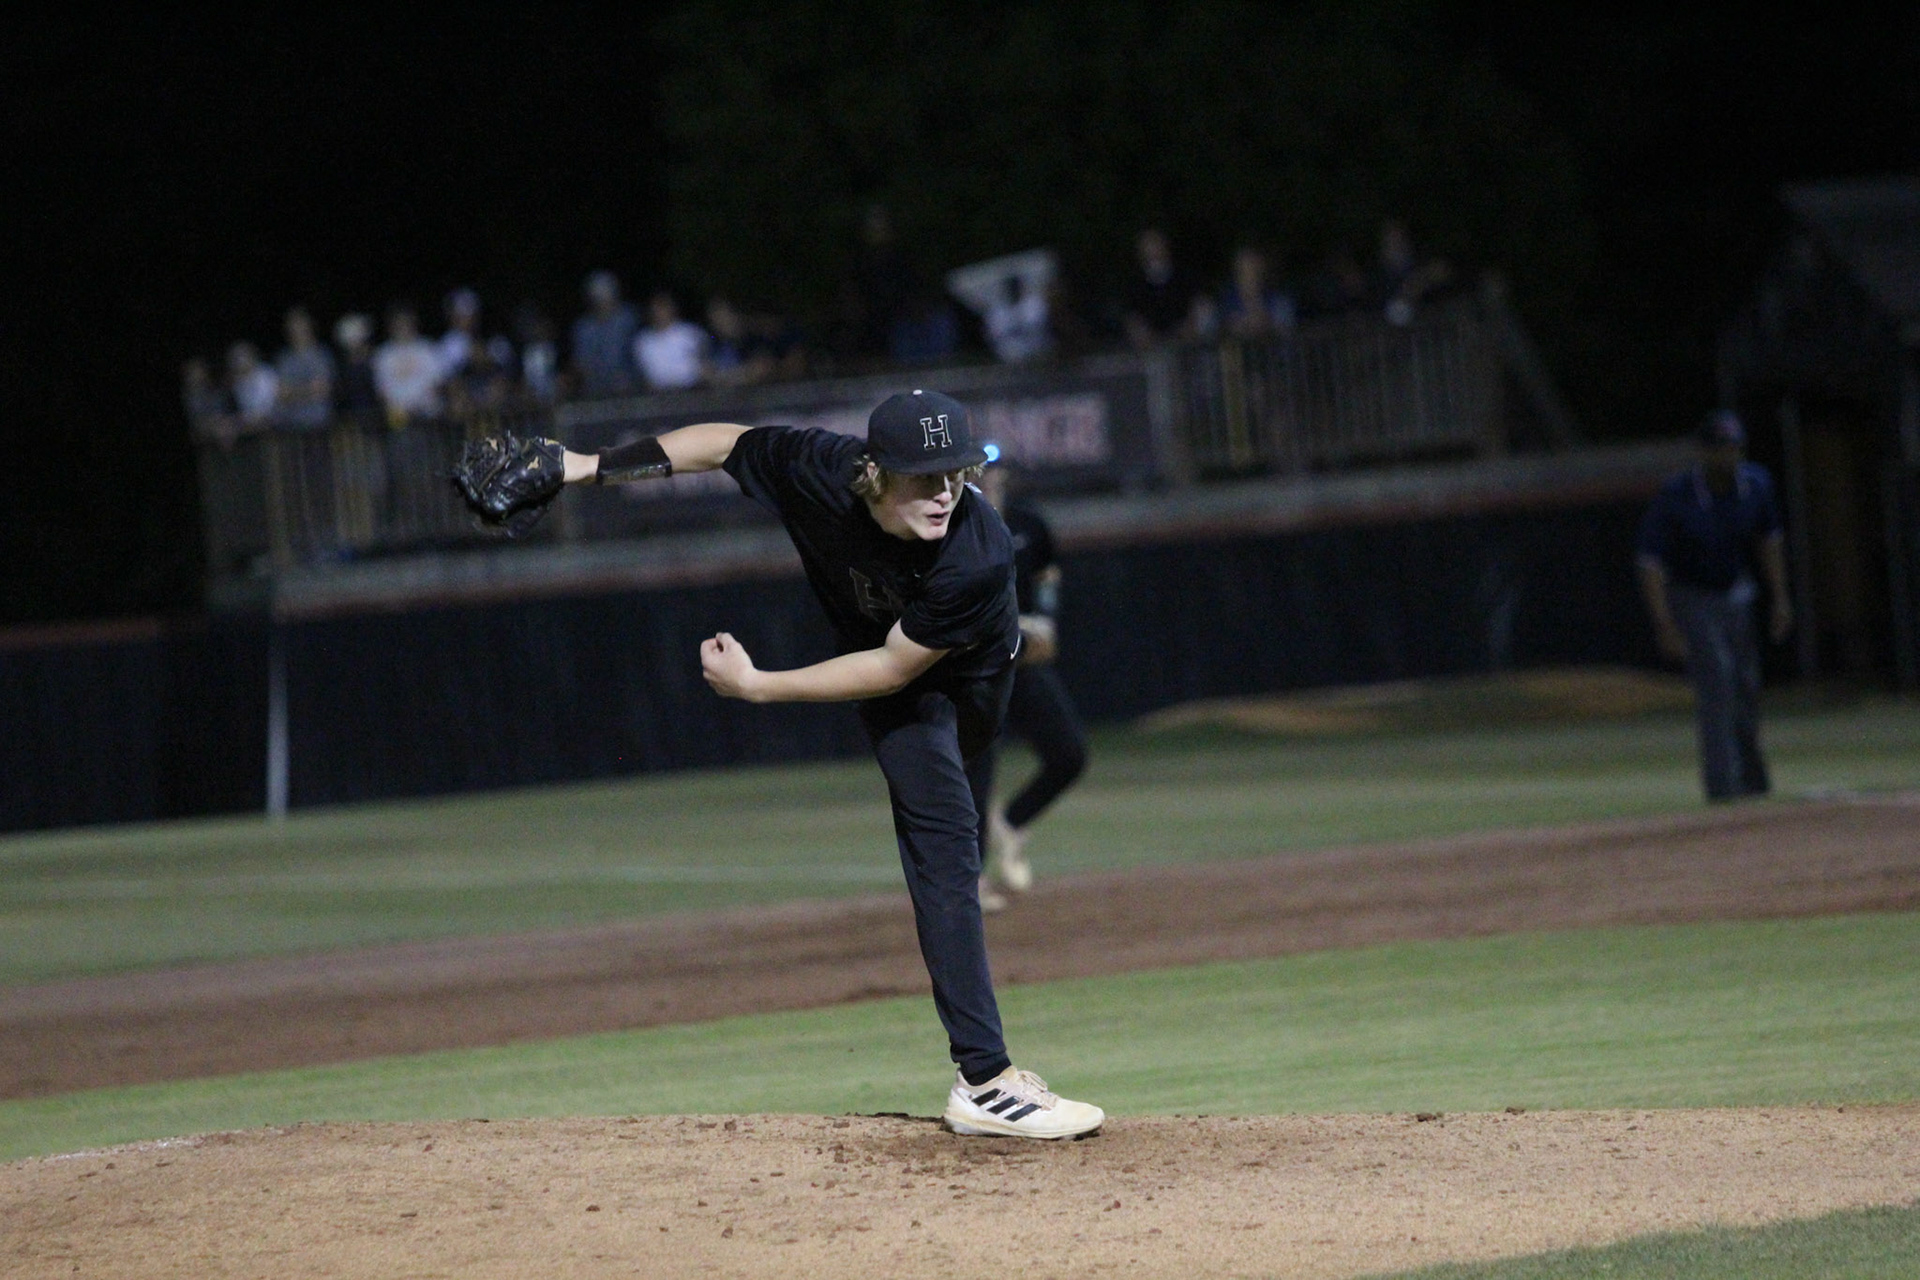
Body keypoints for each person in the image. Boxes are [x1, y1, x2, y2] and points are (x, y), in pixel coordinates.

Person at [478, 390, 1104, 1139]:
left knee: (955, 797)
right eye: (923, 476)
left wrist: (758, 686)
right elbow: (723, 444)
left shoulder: (979, 550)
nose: (944, 492)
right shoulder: (819, 468)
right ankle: (986, 1081)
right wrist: (584, 466)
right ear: (875, 471)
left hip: (969, 680)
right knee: (946, 848)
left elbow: (891, 668)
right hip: (909, 693)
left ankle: (985, 1076)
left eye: (955, 474)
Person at [1636, 410, 1793, 801]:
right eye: (1720, 448)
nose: (1729, 455)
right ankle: (1722, 784)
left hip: (1737, 592)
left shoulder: (1756, 484)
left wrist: (1780, 597)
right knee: (1717, 681)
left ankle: (1753, 779)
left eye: (1734, 447)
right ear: (1703, 452)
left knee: (1746, 685)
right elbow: (1650, 562)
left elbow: (1769, 540)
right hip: (1692, 595)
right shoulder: (1677, 494)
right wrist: (1664, 623)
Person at [972, 457, 1088, 911]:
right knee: (976, 773)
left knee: (1069, 755)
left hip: (1021, 661)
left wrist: (1046, 620)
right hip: (973, 667)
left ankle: (1011, 824)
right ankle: (970, 880)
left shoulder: (1027, 523)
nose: (987, 476)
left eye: (992, 468)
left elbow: (1048, 577)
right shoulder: (950, 525)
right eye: (978, 468)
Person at [570, 270, 640, 398]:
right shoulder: (583, 327)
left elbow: (639, 352)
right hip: (595, 389)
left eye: (606, 291)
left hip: (629, 385)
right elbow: (581, 361)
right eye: (597, 294)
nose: (602, 298)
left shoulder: (629, 318)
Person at [372, 306, 444, 425]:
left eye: (406, 323)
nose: (403, 327)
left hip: (427, 412)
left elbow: (438, 382)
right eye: (398, 324)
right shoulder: (383, 354)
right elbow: (382, 390)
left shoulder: (427, 348)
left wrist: (418, 406)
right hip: (398, 415)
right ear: (391, 327)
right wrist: (401, 409)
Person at [632, 290, 710, 390]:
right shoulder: (642, 340)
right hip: (658, 393)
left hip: (693, 389)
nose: (659, 312)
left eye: (663, 307)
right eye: (656, 308)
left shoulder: (691, 332)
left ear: (672, 309)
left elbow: (705, 360)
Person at [273, 307, 336, 430]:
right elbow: (283, 394)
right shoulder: (284, 359)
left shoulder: (322, 354)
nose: (297, 329)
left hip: (320, 422)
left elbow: (323, 390)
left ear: (309, 326)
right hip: (291, 424)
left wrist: (294, 391)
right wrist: (309, 389)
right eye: (293, 326)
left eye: (301, 325)